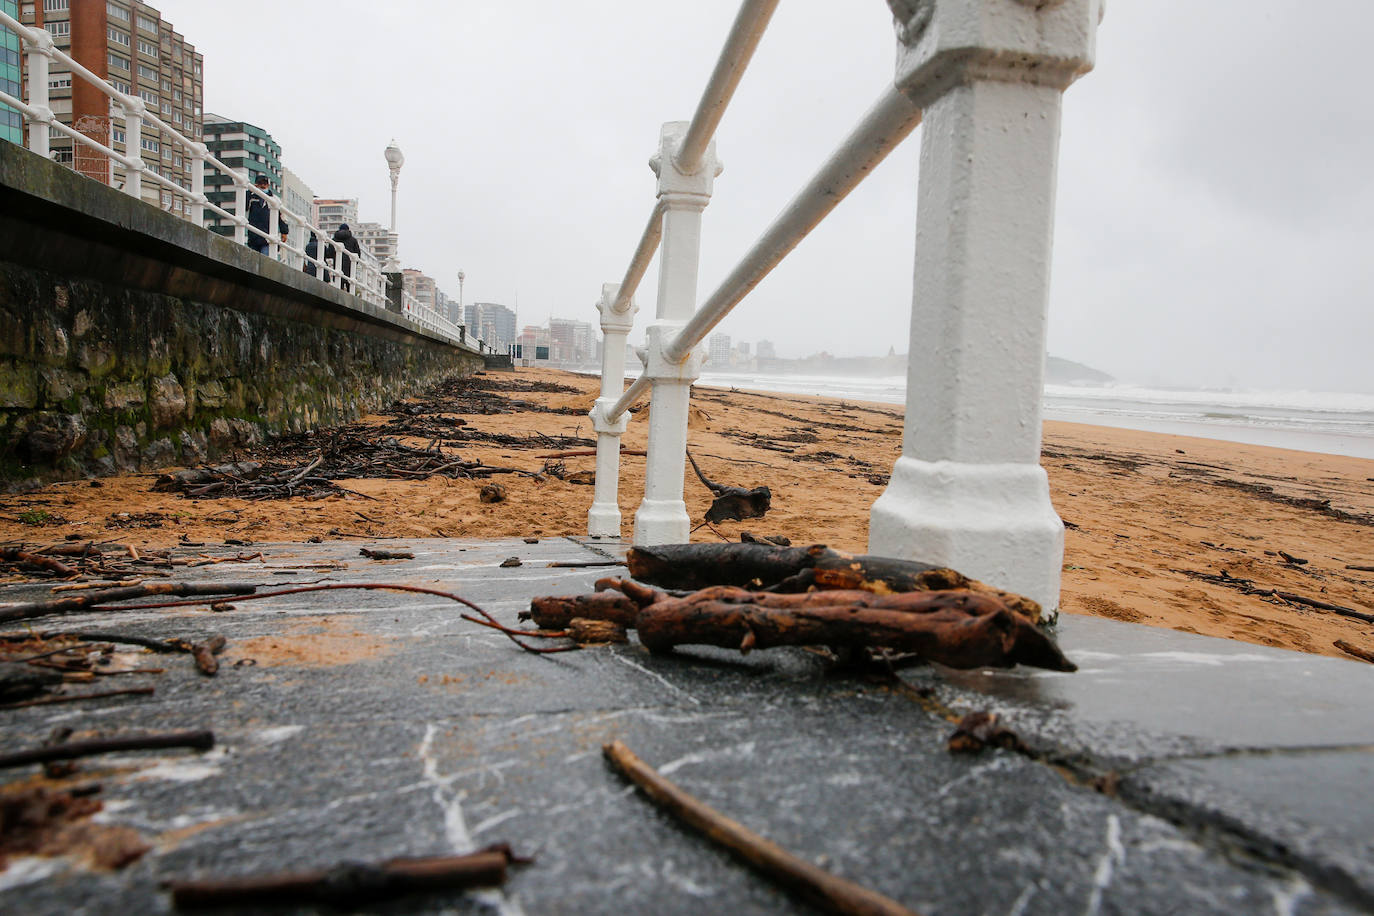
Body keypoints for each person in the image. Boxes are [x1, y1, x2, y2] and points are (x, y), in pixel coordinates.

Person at [245, 174, 287, 255]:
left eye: (265, 184)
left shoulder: (274, 199)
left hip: (268, 237)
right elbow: (244, 206)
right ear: (256, 185)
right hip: (254, 236)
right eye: (260, 184)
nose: (263, 186)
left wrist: (284, 231)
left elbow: (280, 217)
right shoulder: (251, 198)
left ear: (268, 185)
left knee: (265, 259)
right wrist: (250, 190)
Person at [331, 223, 361, 292]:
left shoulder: (334, 239)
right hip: (350, 266)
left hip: (338, 265)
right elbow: (358, 254)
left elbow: (330, 252)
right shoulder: (353, 240)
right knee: (350, 285)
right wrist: (355, 263)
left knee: (338, 284)